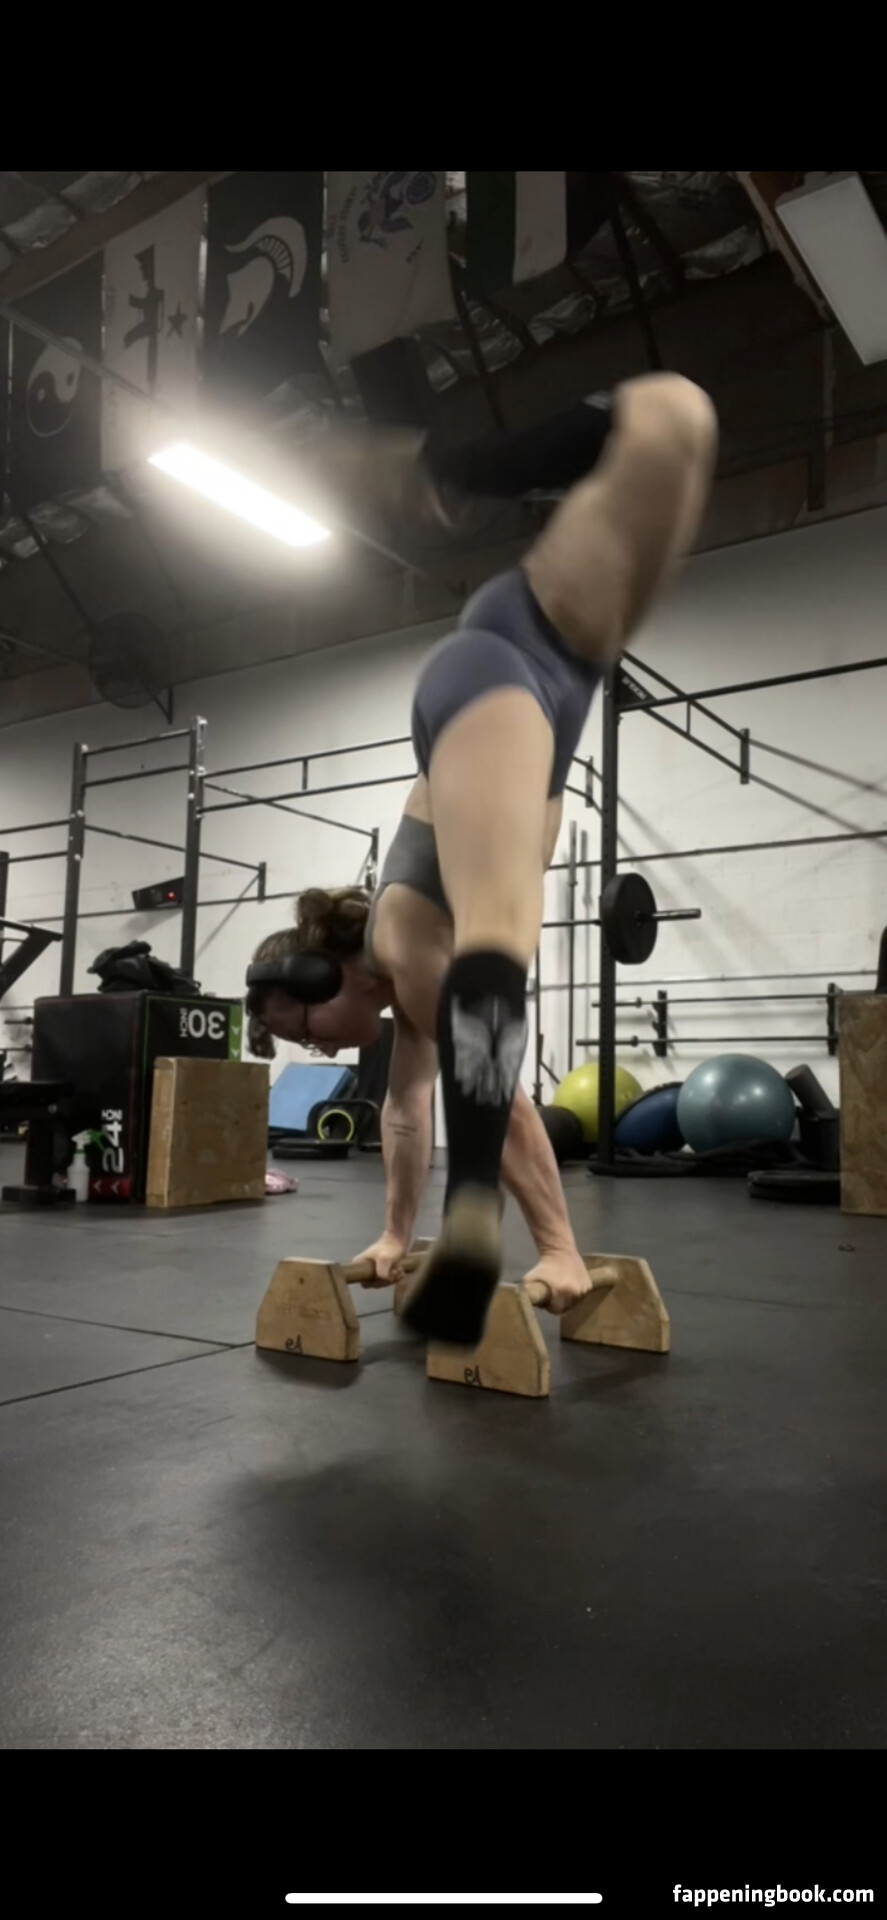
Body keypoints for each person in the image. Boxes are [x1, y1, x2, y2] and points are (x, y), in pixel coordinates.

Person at [245, 373, 718, 1347]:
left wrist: (558, 1247)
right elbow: (403, 1115)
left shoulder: (397, 938)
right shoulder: (405, 993)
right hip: (554, 664)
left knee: (493, 943)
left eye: (305, 1027)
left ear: (324, 975)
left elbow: (496, 1098)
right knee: (672, 416)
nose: (318, 1049)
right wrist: (391, 1234)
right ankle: (450, 467)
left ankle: (481, 1215)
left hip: (494, 676)